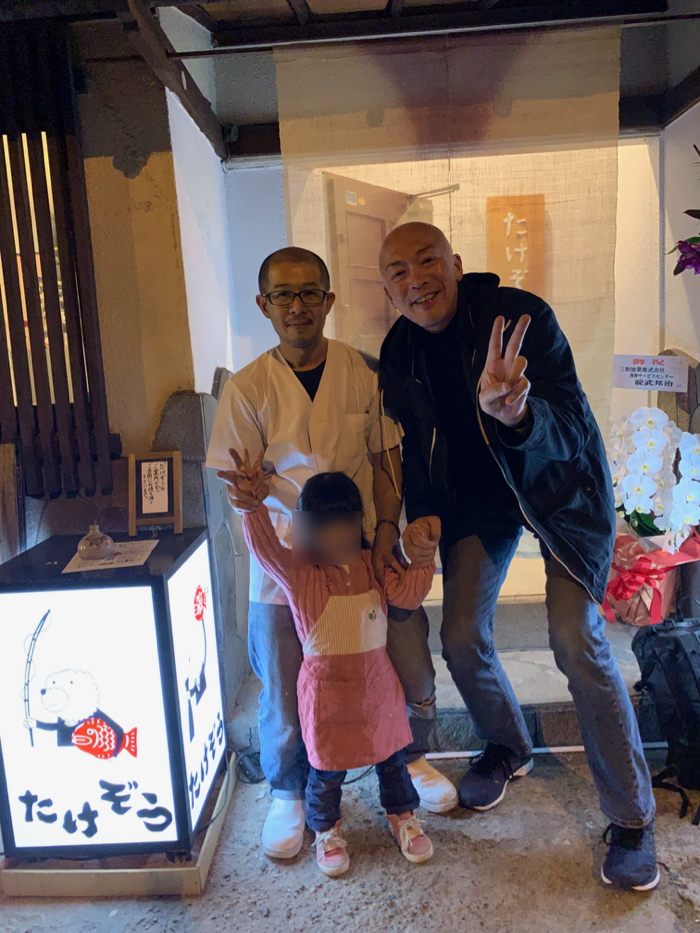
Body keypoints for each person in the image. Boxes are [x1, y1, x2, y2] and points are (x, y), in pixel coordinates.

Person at [377, 222, 658, 892]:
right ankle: (507, 744)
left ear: (456, 263)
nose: (416, 280)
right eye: (398, 272)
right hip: (478, 507)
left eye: (427, 261)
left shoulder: (520, 317)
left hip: (561, 495)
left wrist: (518, 417)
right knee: (460, 636)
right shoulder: (399, 349)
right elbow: (414, 445)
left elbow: (574, 427)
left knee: (574, 637)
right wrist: (422, 513)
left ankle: (631, 819)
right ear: (387, 290)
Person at [206, 246, 456, 861]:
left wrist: (389, 530)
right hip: (286, 559)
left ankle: (410, 755)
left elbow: (385, 458)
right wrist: (248, 497)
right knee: (283, 681)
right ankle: (289, 789)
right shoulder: (247, 388)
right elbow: (238, 479)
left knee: (407, 656)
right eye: (283, 295)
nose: (297, 306)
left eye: (310, 293)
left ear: (329, 300)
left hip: (361, 546)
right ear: (264, 305)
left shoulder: (361, 371)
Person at [230, 455, 439, 876]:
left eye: (343, 522)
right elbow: (266, 550)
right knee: (326, 772)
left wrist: (422, 559)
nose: (334, 533)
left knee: (393, 760)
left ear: (357, 522)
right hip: (326, 699)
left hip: (379, 691)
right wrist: (252, 508)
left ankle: (403, 815)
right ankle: (326, 828)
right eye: (323, 523)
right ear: (306, 527)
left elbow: (408, 596)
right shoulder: (299, 574)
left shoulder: (371, 566)